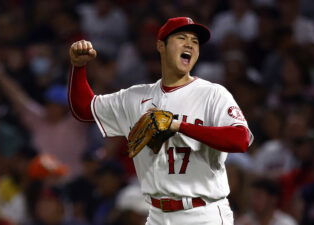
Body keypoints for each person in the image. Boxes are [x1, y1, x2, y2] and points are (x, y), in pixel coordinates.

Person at [68, 17, 253, 225]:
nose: (189, 44)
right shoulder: (135, 98)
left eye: (195, 41)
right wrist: (78, 68)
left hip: (204, 212)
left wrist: (177, 125)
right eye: (181, 38)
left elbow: (240, 139)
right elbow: (84, 109)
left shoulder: (212, 94)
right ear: (160, 46)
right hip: (157, 214)